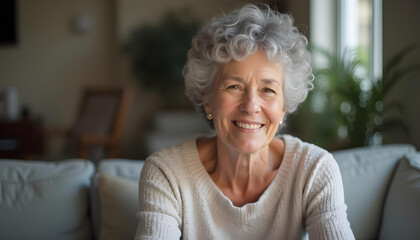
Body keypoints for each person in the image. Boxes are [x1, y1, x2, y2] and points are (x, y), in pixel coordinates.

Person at [134, 4, 355, 240]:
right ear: (207, 100)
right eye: (234, 86)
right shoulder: (166, 173)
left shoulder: (314, 170)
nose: (251, 105)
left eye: (268, 89)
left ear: (282, 109)